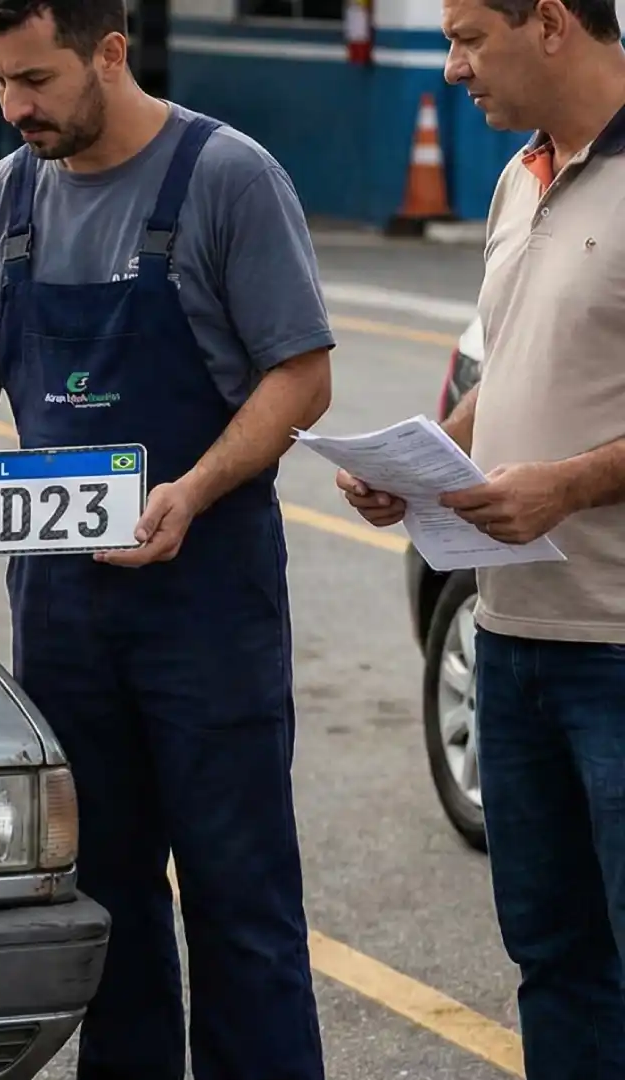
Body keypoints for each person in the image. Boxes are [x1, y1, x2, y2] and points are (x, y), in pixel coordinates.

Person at [0, 0, 337, 1075]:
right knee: (107, 908)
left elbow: (302, 379)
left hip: (207, 604)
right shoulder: (4, 202)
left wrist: (191, 489)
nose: (14, 108)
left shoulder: (227, 180)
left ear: (110, 51)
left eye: (36, 80)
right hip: (67, 619)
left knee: (242, 907)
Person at [342, 0, 625, 1073]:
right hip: (509, 643)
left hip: (618, 646)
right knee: (553, 956)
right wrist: (420, 462)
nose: (453, 68)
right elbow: (503, 374)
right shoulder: (521, 177)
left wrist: (571, 487)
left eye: (466, 37)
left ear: (549, 22)